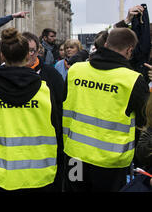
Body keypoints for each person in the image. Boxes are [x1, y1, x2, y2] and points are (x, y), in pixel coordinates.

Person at [0, 28, 62, 192]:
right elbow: (55, 125)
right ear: (26, 56)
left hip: (4, 172)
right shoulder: (44, 90)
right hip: (40, 173)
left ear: (2, 56)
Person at [63, 28, 149, 192]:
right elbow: (143, 123)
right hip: (110, 163)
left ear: (106, 44)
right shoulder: (133, 80)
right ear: (130, 50)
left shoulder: (75, 71)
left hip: (75, 156)